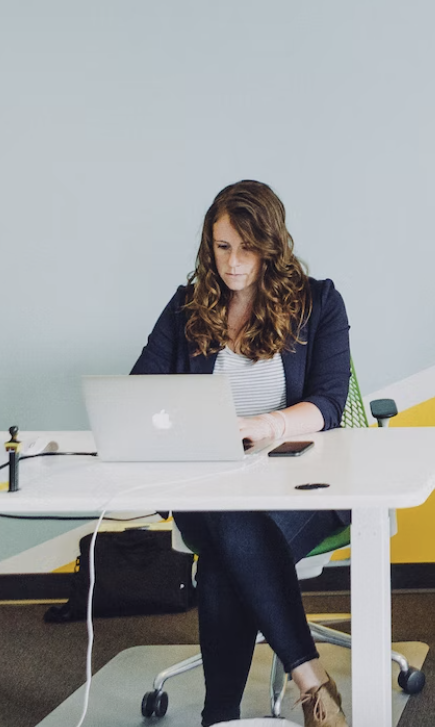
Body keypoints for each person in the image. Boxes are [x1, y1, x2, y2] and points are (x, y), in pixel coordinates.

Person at [130, 180, 352, 727]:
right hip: (207, 486)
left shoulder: (318, 302)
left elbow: (327, 401)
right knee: (230, 517)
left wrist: (265, 426)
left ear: (270, 247)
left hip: (298, 484)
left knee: (230, 549)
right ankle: (313, 685)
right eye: (222, 246)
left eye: (246, 248)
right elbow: (141, 389)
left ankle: (220, 714)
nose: (232, 262)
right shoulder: (189, 308)